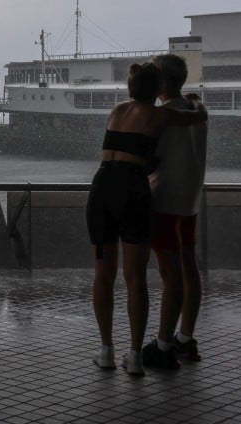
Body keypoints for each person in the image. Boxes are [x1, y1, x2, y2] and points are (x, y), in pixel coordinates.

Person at [87, 62, 207, 376]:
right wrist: (195, 101)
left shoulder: (116, 110)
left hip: (101, 189)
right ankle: (136, 356)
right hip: (133, 191)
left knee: (103, 274)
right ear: (156, 89)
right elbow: (199, 116)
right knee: (136, 278)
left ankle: (106, 351)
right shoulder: (159, 115)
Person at [141, 54, 207, 369]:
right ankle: (185, 338)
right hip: (190, 203)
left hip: (164, 203)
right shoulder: (196, 112)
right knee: (189, 270)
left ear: (162, 82)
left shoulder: (160, 116)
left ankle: (164, 345)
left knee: (170, 275)